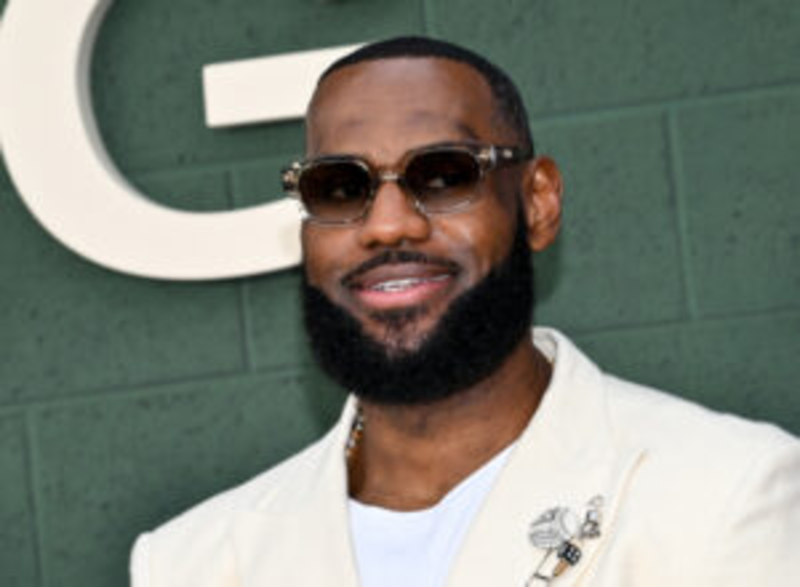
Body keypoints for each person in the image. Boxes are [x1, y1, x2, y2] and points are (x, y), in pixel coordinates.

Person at [129, 36, 800, 586]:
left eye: (445, 175)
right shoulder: (192, 564)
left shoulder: (725, 494)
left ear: (537, 201)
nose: (387, 225)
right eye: (339, 188)